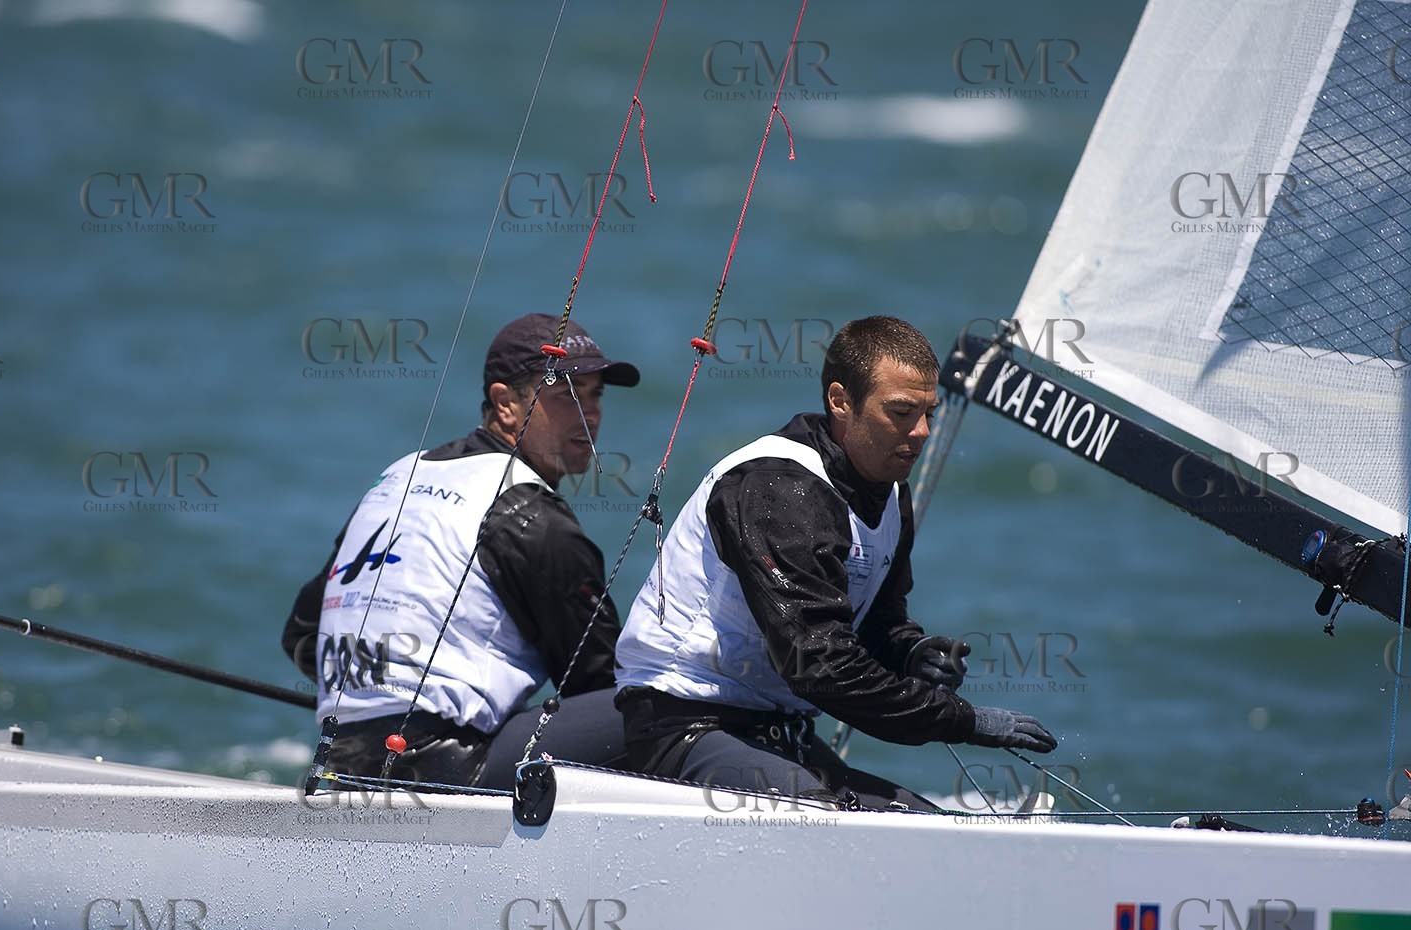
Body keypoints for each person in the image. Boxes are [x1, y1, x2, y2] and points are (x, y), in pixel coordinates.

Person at [614, 314, 1056, 811]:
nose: (923, 431)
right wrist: (960, 720)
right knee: (838, 824)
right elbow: (820, 666)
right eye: (902, 412)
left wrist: (911, 654)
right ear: (841, 402)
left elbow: (876, 623)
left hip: (778, 731)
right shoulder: (778, 488)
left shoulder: (890, 493)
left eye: (929, 412)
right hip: (685, 723)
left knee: (923, 823)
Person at [282, 313, 639, 790]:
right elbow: (597, 685)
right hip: (451, 771)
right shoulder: (531, 515)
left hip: (343, 764)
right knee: (654, 707)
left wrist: (379, 693)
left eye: (595, 395)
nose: (590, 414)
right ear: (505, 403)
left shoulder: (400, 478)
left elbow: (302, 631)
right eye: (567, 395)